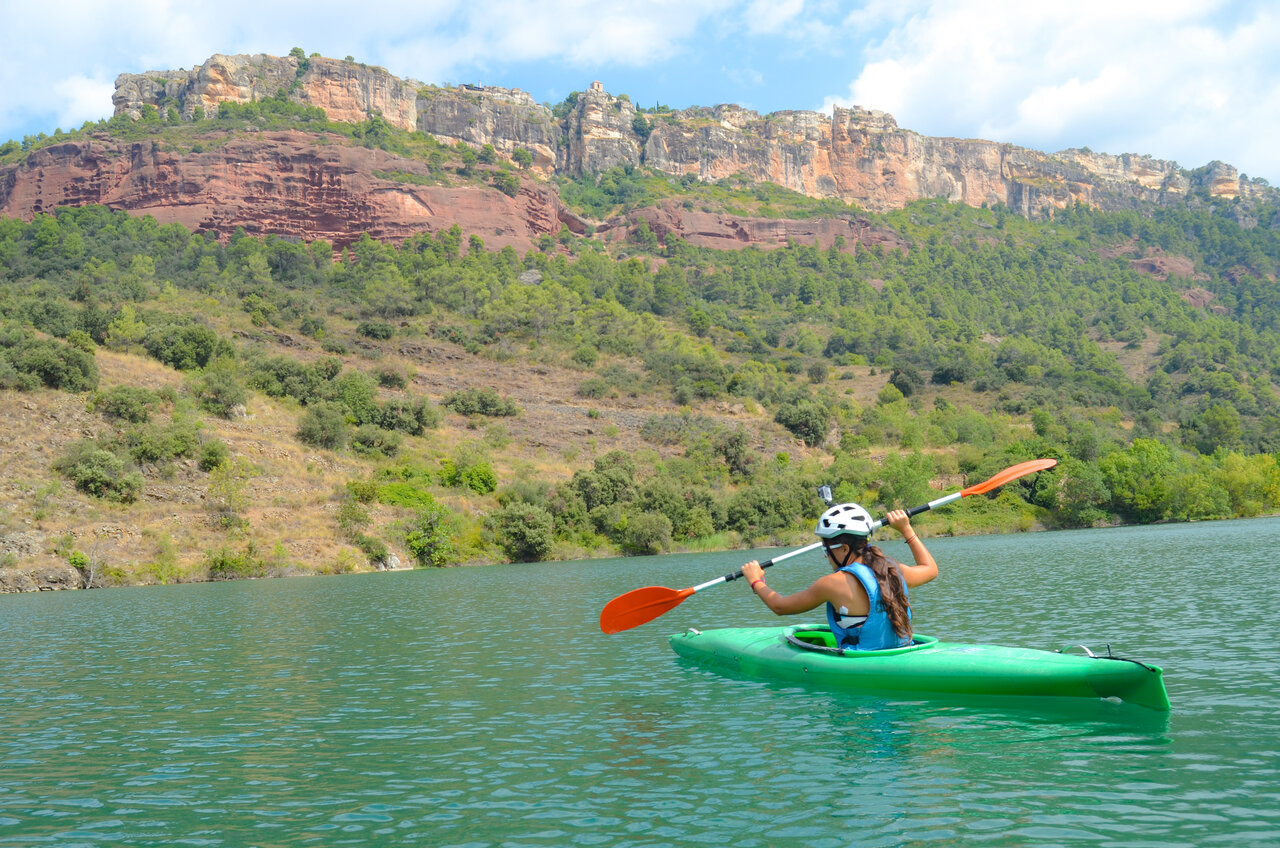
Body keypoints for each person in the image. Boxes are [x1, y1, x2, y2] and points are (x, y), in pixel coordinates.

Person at [740, 503, 938, 650]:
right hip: (903, 651)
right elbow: (930, 569)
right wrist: (906, 529)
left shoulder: (832, 583)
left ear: (843, 548)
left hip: (863, 663)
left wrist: (755, 580)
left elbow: (780, 606)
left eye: (827, 551)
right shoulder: (893, 569)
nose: (827, 557)